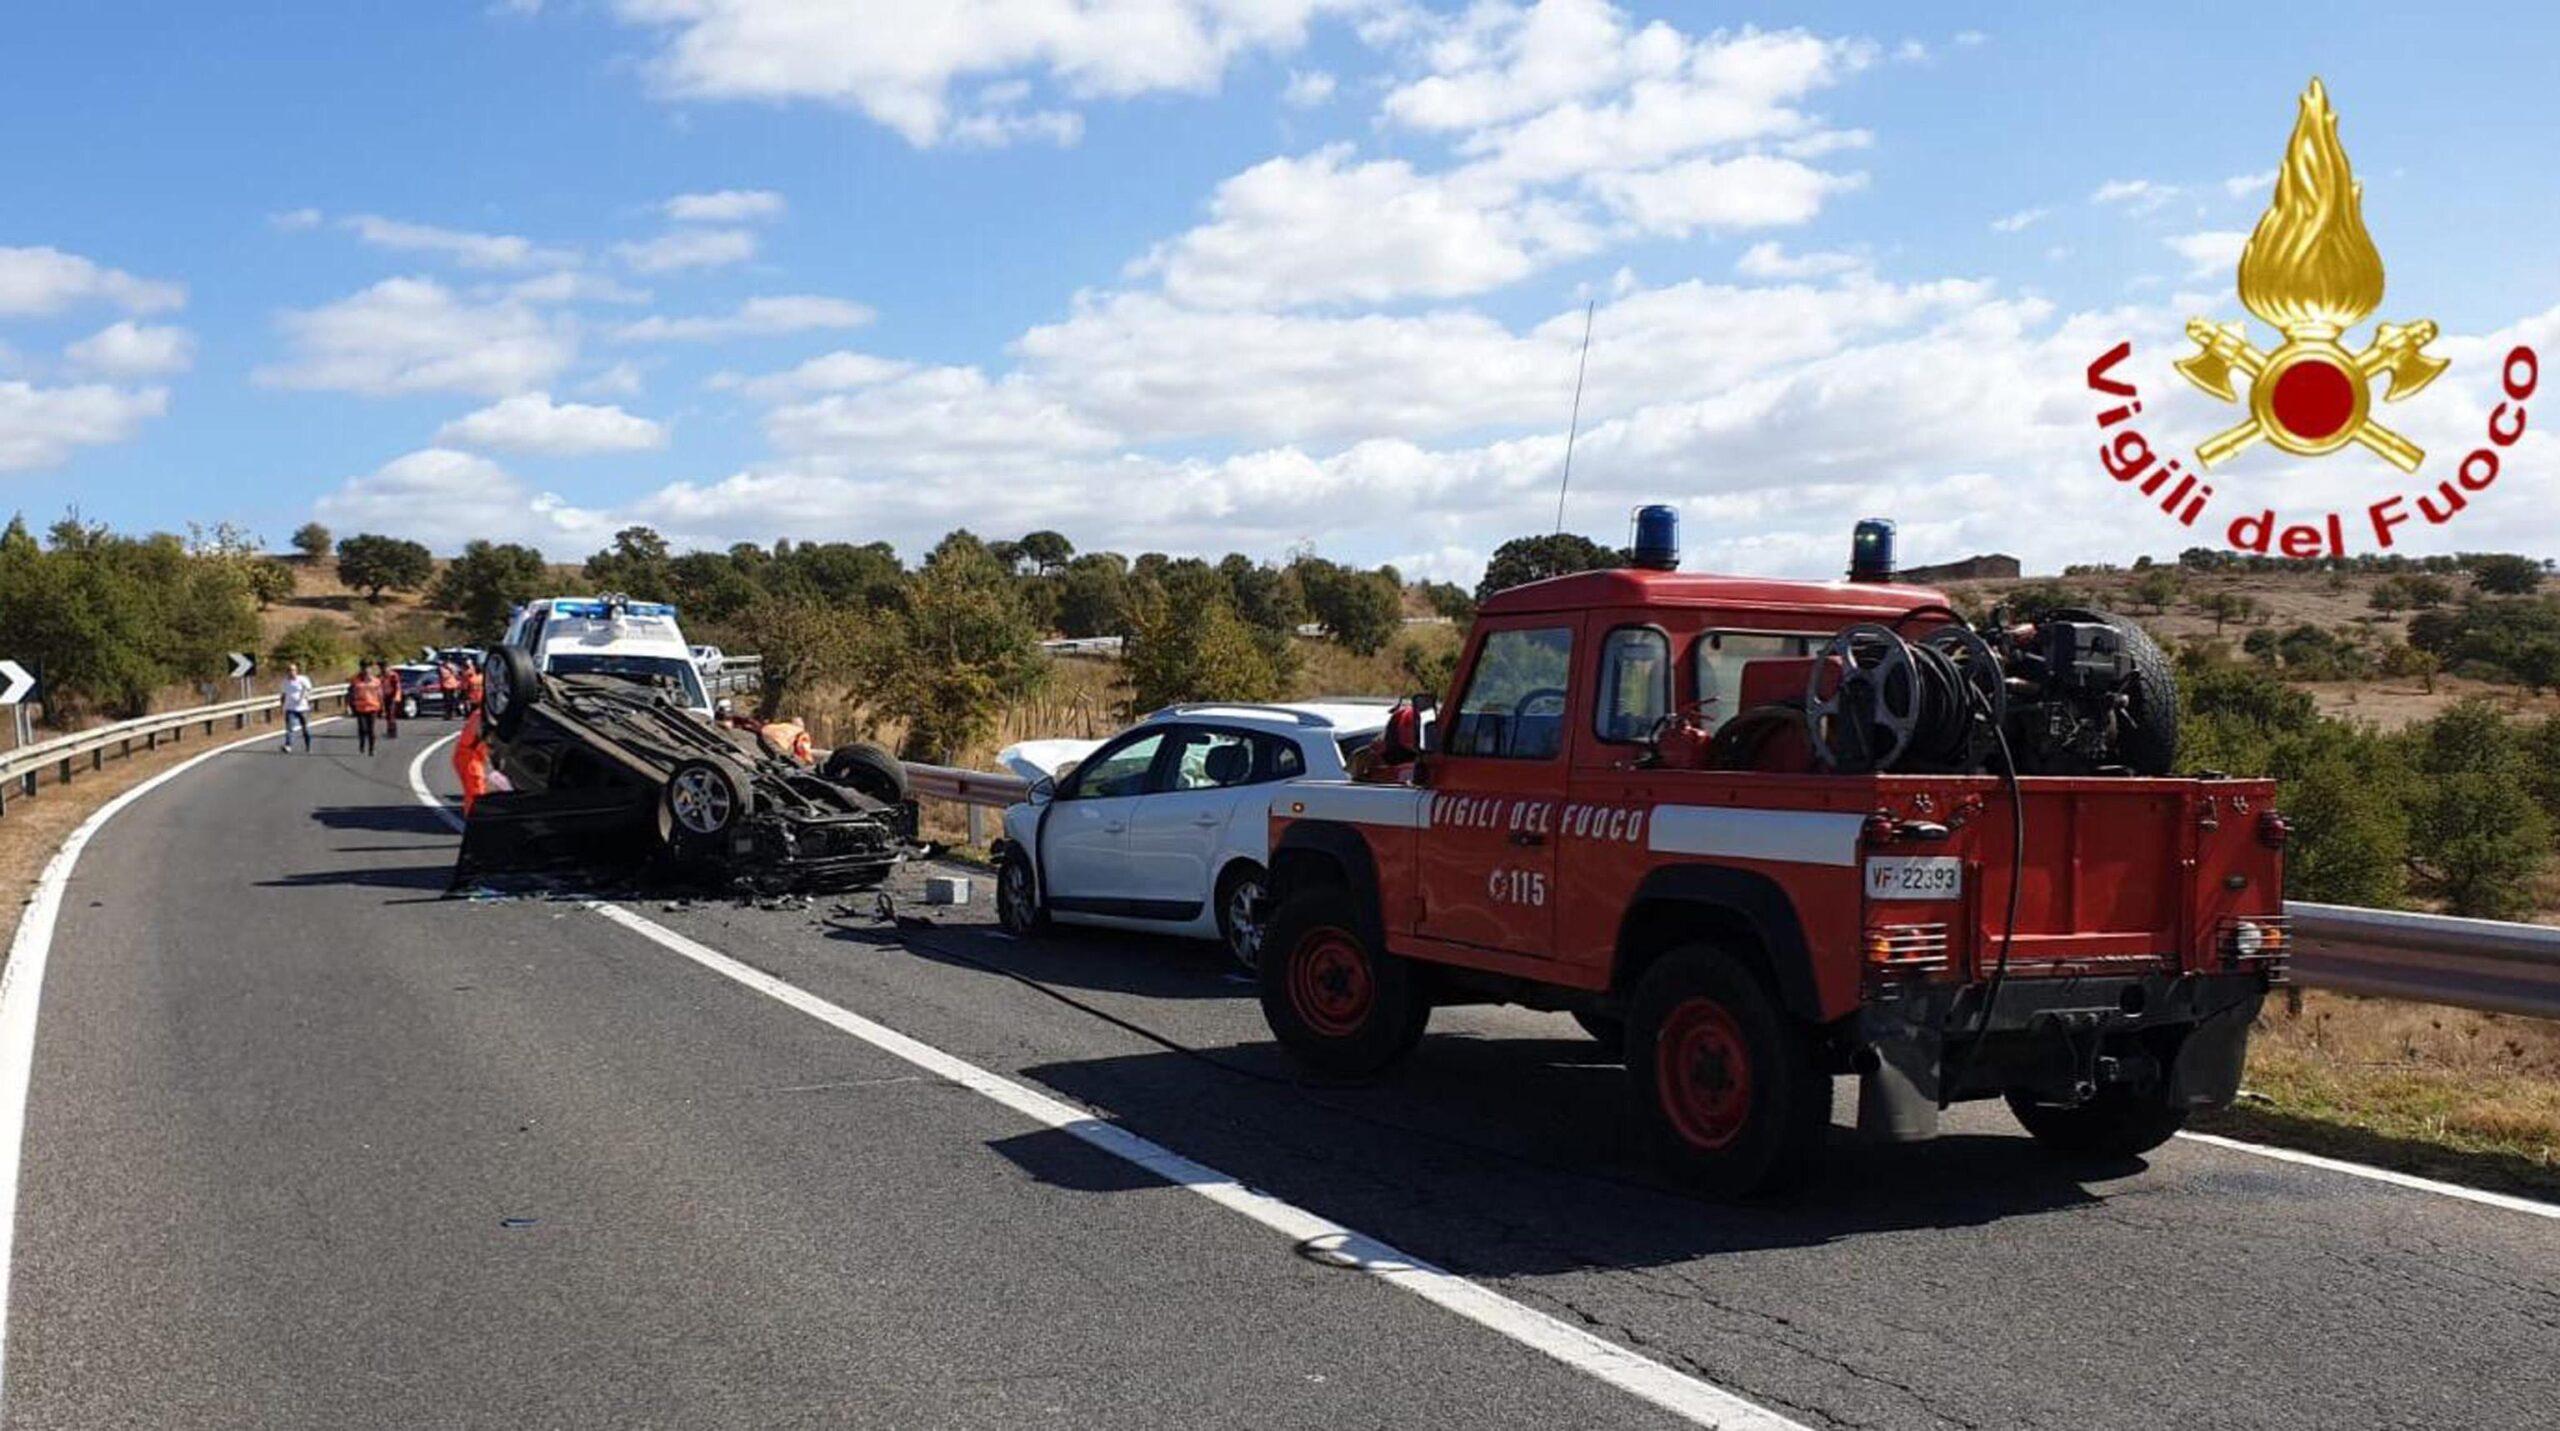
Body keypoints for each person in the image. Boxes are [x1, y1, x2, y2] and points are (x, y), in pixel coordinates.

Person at [348, 660, 383, 756]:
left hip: (373, 707)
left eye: (368, 668)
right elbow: (350, 694)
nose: (367, 670)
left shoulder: (376, 681)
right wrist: (351, 705)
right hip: (360, 708)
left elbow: (380, 695)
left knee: (371, 730)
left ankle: (371, 749)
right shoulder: (355, 680)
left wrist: (381, 707)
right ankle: (362, 743)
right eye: (364, 668)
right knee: (362, 729)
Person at [278, 663, 315, 753]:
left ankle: (308, 746)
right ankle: (288, 745)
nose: (292, 672)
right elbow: (283, 695)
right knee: (289, 728)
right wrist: (282, 706)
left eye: (293, 670)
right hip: (290, 708)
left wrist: (305, 696)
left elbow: (309, 689)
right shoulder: (285, 682)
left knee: (305, 729)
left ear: (296, 671)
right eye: (290, 670)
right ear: (287, 672)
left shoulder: (302, 679)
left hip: (303, 708)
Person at [380, 662, 402, 739]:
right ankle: (390, 730)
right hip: (385, 697)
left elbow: (397, 687)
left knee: (391, 714)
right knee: (388, 715)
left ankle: (393, 732)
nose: (383, 669)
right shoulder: (381, 676)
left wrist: (396, 696)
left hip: (392, 696)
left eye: (384, 667)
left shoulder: (393, 675)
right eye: (382, 668)